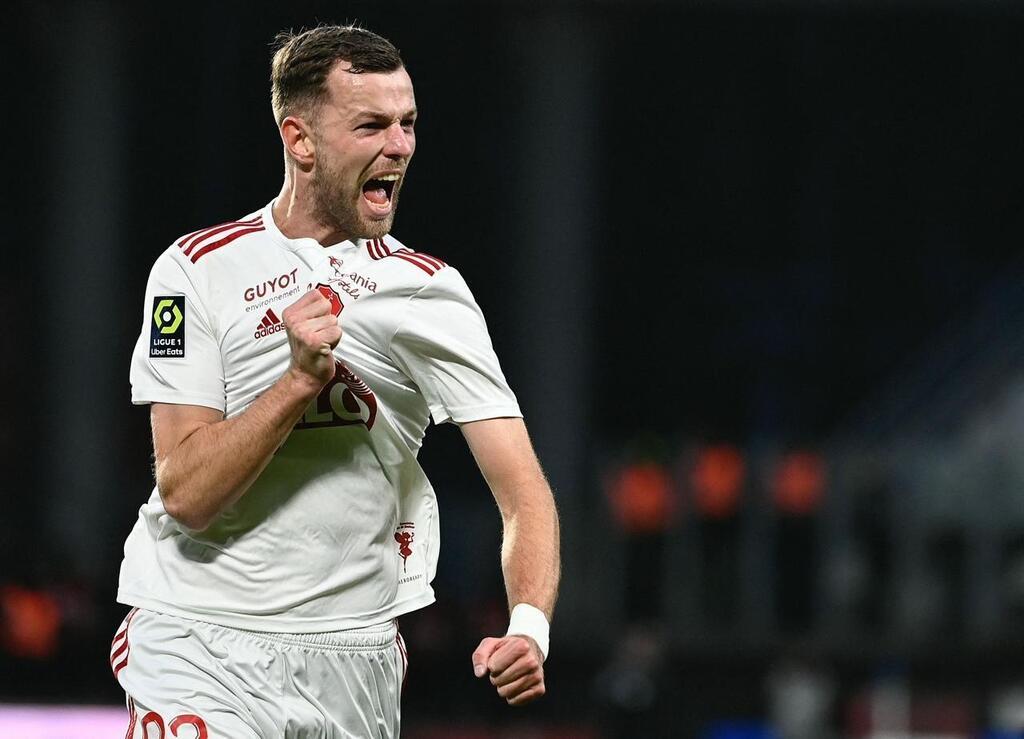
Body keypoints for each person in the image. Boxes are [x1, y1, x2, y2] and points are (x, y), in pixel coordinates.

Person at [111, 24, 560, 738]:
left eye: (408, 123)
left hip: (356, 658)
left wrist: (529, 625)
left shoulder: (431, 294)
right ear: (301, 140)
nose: (401, 146)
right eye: (372, 125)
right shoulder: (193, 270)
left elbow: (523, 492)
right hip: (199, 636)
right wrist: (296, 383)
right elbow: (186, 492)